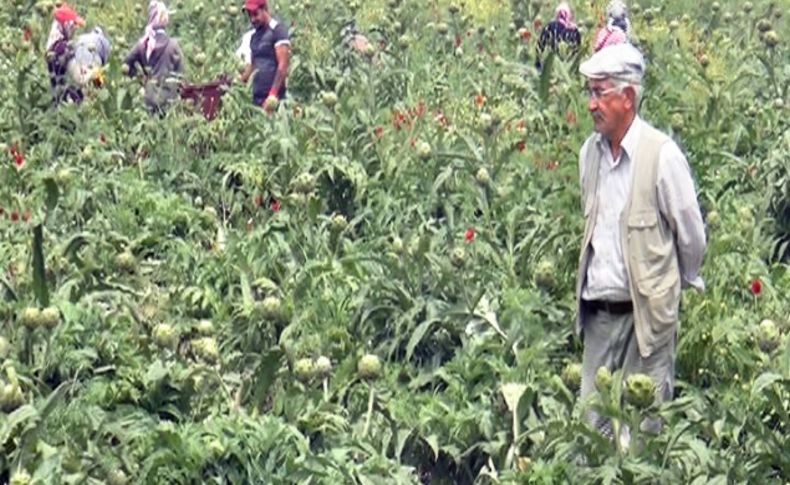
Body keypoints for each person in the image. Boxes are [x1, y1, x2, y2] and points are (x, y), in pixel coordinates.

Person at [575, 43, 706, 443]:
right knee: (589, 431)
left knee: (642, 436)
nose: (592, 104)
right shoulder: (589, 154)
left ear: (628, 97)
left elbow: (692, 238)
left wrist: (665, 291)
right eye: (590, 93)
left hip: (646, 320)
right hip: (599, 315)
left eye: (600, 93)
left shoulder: (661, 156)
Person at [124, 1, 185, 114]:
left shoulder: (143, 44)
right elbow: (181, 72)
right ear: (165, 20)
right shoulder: (173, 45)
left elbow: (126, 64)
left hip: (149, 97)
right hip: (169, 99)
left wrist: (138, 80)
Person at [240, 0, 291, 113]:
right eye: (250, 15)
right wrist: (239, 81)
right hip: (257, 99)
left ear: (265, 9)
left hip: (274, 100)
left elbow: (283, 65)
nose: (252, 19)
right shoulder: (254, 36)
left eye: (255, 14)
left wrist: (272, 94)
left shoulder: (278, 31)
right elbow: (253, 66)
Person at [46, 4, 86, 105]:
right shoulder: (61, 47)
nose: (75, 29)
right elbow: (77, 76)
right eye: (73, 26)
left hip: (61, 94)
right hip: (70, 97)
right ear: (66, 25)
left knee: (57, 92)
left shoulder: (52, 48)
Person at [536, 2, 581, 70]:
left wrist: (538, 64)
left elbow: (541, 44)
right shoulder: (574, 29)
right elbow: (578, 48)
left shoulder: (550, 26)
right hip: (566, 63)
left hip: (555, 61)